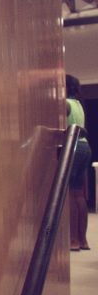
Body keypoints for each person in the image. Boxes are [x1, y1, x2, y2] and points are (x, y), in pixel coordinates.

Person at [66, 74, 91, 251]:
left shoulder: (65, 104)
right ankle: (83, 240)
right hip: (84, 147)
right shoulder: (78, 104)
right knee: (78, 194)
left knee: (68, 194)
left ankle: (73, 239)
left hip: (72, 148)